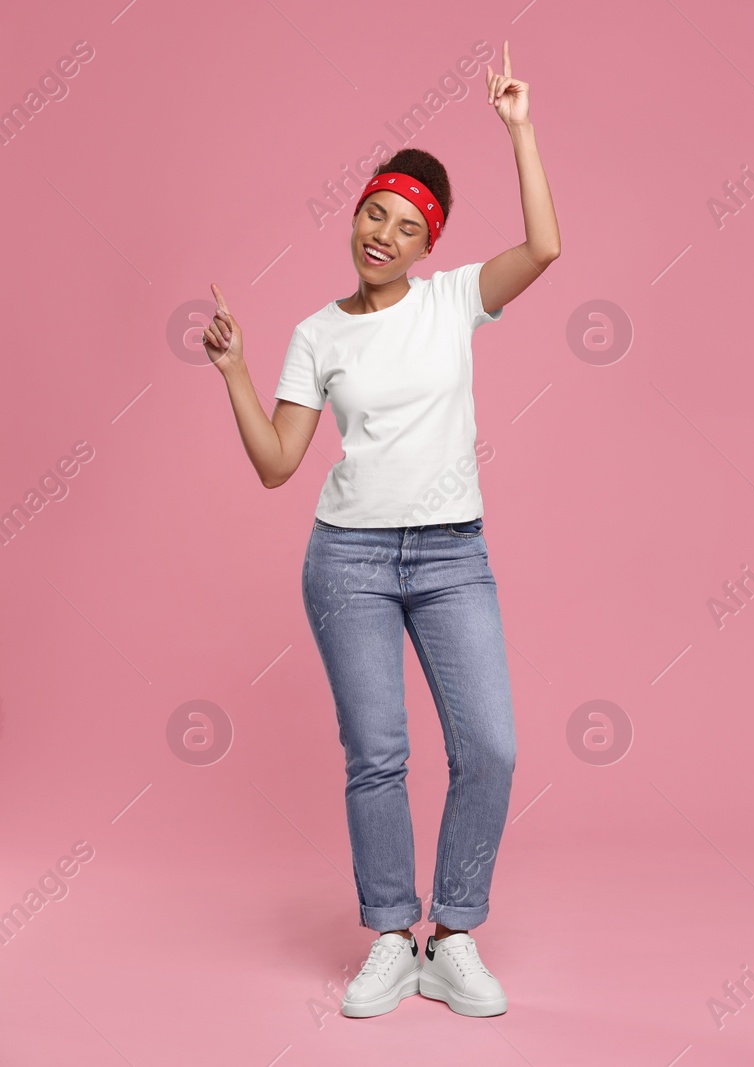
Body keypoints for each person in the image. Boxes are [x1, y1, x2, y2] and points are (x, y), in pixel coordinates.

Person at [202, 41, 559, 1019]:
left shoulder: (454, 303)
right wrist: (234, 369)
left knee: (489, 744)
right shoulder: (318, 333)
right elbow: (279, 463)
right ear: (356, 213)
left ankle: (449, 934)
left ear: (426, 245)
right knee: (378, 754)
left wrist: (519, 131)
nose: (384, 235)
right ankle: (389, 936)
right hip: (348, 559)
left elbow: (546, 249)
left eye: (407, 227)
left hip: (451, 554)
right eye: (375, 213)